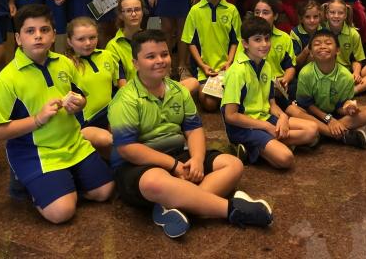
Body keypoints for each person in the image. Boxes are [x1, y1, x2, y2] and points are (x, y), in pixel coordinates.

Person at [109, 29, 273, 239]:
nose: (160, 61)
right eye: (150, 56)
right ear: (135, 63)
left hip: (178, 153)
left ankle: (180, 207)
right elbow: (128, 149)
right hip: (137, 165)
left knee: (233, 165)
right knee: (154, 182)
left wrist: (196, 159)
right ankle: (232, 210)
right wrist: (173, 166)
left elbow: (193, 128)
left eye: (164, 54)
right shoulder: (125, 99)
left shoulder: (179, 90)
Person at [0, 4, 115, 223]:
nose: (38, 36)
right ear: (18, 38)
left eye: (44, 30)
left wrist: (80, 104)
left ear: (54, 35)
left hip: (73, 144)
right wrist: (37, 119)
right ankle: (29, 182)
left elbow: (80, 96)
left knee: (105, 192)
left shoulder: (64, 63)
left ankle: (64, 182)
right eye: (30, 31)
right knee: (62, 213)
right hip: (37, 153)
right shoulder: (7, 79)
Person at [221, 16, 319, 168]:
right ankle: (252, 146)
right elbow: (231, 116)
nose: (264, 44)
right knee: (286, 158)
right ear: (245, 43)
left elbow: (271, 103)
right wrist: (266, 127)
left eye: (267, 39)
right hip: (244, 126)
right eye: (258, 40)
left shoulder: (266, 66)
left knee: (312, 131)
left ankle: (261, 146)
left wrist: (283, 117)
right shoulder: (237, 72)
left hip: (265, 118)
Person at [294, 29, 366, 147]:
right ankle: (340, 134)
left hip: (336, 116)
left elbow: (340, 107)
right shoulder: (305, 73)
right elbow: (307, 105)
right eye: (317, 44)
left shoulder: (346, 76)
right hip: (313, 115)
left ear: (337, 50)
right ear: (311, 52)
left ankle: (321, 134)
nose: (323, 46)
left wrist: (348, 108)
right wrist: (329, 119)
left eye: (328, 43)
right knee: (292, 110)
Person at [180, 0, 241, 111]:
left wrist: (229, 62)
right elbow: (191, 43)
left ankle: (229, 94)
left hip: (226, 67)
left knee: (216, 101)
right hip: (203, 68)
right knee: (208, 104)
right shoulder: (195, 11)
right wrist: (202, 65)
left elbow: (235, 40)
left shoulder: (232, 10)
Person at [65, 16, 124, 156]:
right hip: (86, 123)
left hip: (111, 114)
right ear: (69, 41)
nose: (88, 43)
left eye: (92, 38)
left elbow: (121, 86)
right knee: (111, 143)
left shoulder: (108, 56)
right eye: (81, 39)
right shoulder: (65, 65)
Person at [241, 0, 299, 107]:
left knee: (295, 86)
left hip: (278, 84)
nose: (260, 16)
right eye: (257, 12)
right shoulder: (246, 37)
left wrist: (284, 81)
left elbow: (290, 67)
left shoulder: (284, 38)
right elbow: (242, 64)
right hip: (254, 82)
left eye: (265, 12)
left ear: (275, 16)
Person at [323, 0, 366, 95]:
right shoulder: (321, 32)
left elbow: (356, 59)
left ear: (345, 15)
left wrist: (356, 73)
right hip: (329, 70)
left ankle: (353, 91)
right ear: (326, 14)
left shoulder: (353, 33)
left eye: (340, 13)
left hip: (348, 69)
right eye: (332, 12)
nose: (336, 16)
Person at [104, 0, 146, 82]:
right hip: (129, 94)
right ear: (120, 15)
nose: (134, 14)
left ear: (142, 12)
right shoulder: (113, 46)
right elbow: (121, 85)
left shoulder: (150, 39)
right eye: (128, 11)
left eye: (137, 9)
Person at [290, 0, 323, 70]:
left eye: (315, 16)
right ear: (301, 19)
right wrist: (307, 50)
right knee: (312, 55)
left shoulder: (324, 31)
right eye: (307, 17)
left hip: (322, 68)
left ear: (320, 17)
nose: (312, 20)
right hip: (301, 70)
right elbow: (294, 63)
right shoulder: (295, 33)